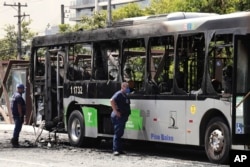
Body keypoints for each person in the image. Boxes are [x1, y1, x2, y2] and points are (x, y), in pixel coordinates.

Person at [110, 82, 131, 156]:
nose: (128, 88)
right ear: (123, 87)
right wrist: (116, 111)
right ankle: (115, 150)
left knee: (120, 133)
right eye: (127, 87)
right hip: (118, 116)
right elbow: (111, 100)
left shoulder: (126, 95)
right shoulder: (119, 94)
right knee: (117, 133)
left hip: (123, 116)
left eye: (128, 87)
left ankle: (119, 149)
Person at [10, 83, 26, 148]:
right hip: (18, 115)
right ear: (19, 89)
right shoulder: (18, 96)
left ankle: (14, 140)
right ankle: (15, 141)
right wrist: (21, 115)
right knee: (17, 128)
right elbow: (19, 106)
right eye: (22, 89)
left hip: (15, 114)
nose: (23, 90)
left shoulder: (14, 95)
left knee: (17, 128)